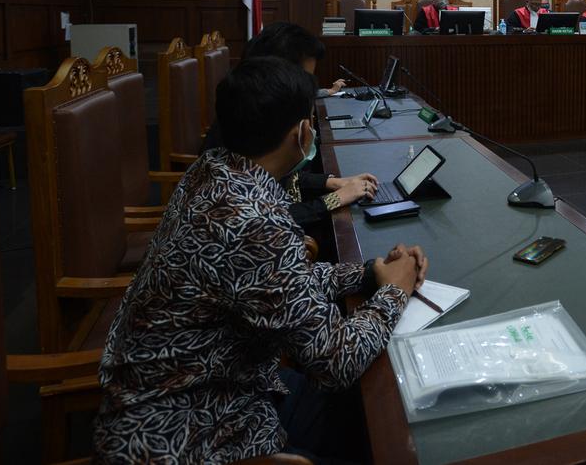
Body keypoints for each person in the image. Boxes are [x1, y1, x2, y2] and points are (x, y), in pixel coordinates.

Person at [94, 56, 429, 463]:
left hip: (197, 389)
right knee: (383, 429)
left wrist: (364, 274)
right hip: (188, 432)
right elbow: (336, 360)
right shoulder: (255, 222)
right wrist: (396, 289)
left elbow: (276, 283)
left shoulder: (213, 170)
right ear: (302, 134)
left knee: (359, 409)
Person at [203, 22, 380, 232]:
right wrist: (334, 199)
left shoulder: (246, 116)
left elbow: (285, 178)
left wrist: (330, 182)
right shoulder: (240, 136)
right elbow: (270, 220)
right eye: (303, 78)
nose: (307, 90)